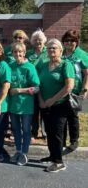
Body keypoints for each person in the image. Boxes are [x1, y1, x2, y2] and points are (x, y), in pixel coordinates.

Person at [38, 38, 75, 172]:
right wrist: (42, 100)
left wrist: (52, 100)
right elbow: (38, 84)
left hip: (60, 105)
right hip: (45, 105)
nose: (51, 50)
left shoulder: (66, 64)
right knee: (49, 131)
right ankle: (52, 155)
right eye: (49, 48)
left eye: (54, 48)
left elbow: (69, 86)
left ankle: (59, 162)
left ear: (60, 50)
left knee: (57, 133)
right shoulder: (44, 65)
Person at [9, 43, 40, 166]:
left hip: (26, 105)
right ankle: (18, 151)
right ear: (12, 53)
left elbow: (37, 87)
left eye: (20, 52)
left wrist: (20, 90)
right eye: (15, 52)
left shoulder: (29, 67)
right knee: (16, 129)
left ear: (24, 52)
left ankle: (24, 153)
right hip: (13, 105)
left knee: (26, 130)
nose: (18, 54)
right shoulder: (10, 66)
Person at [61, 29, 88, 152]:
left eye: (72, 40)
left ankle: (74, 141)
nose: (69, 42)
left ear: (76, 42)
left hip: (75, 92)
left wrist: (84, 89)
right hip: (61, 91)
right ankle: (62, 140)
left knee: (72, 116)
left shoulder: (81, 55)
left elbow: (87, 74)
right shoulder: (61, 54)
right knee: (62, 116)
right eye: (66, 40)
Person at [26, 29, 48, 140]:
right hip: (33, 85)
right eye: (35, 40)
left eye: (40, 40)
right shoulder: (29, 53)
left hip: (46, 86)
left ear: (44, 40)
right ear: (32, 41)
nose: (38, 42)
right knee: (34, 110)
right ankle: (34, 132)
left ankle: (45, 133)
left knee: (45, 109)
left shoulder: (48, 51)